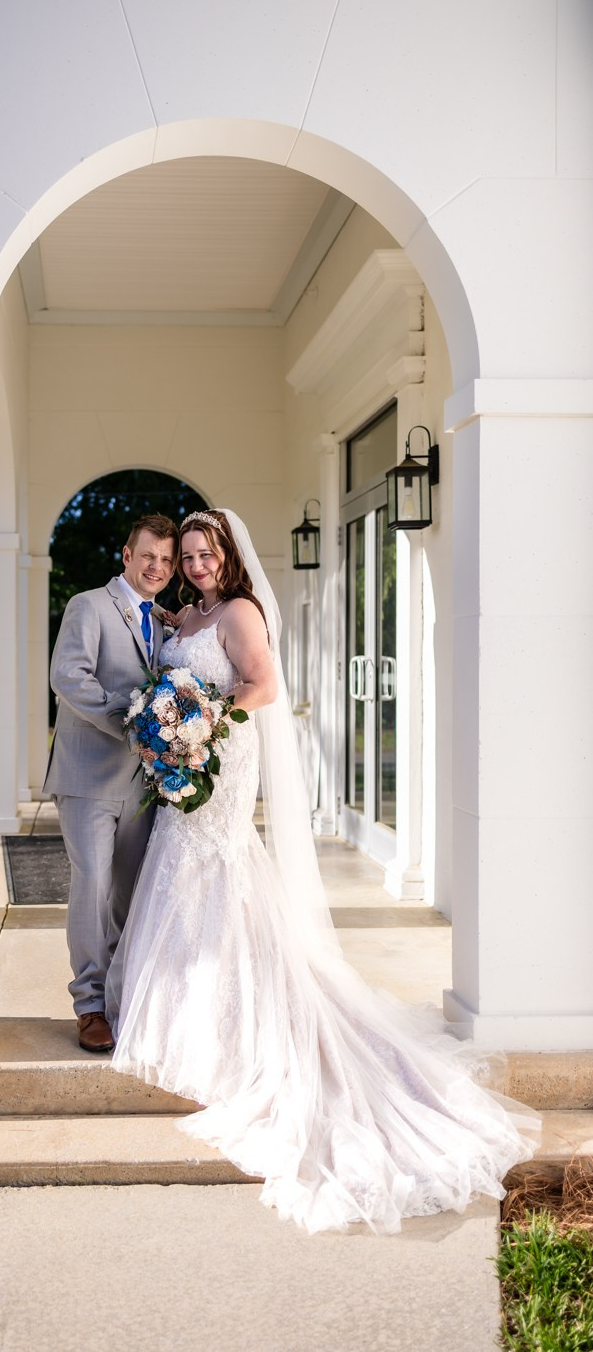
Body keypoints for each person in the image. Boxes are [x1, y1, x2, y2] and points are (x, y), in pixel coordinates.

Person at [106, 508, 539, 1233]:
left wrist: (202, 719)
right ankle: (182, 1014)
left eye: (204, 552)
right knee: (176, 872)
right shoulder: (186, 616)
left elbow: (264, 685)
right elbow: (174, 685)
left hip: (221, 758)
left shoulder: (239, 611)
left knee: (219, 868)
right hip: (188, 766)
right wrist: (167, 727)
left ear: (227, 554)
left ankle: (240, 1029)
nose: (194, 564)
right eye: (186, 555)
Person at [45, 513, 178, 1052]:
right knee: (93, 886)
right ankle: (90, 1006)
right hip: (87, 776)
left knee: (132, 893)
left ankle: (123, 995)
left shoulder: (167, 622)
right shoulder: (90, 605)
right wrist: (131, 722)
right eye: (149, 555)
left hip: (144, 784)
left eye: (168, 560)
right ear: (127, 555)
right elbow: (68, 676)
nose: (158, 567)